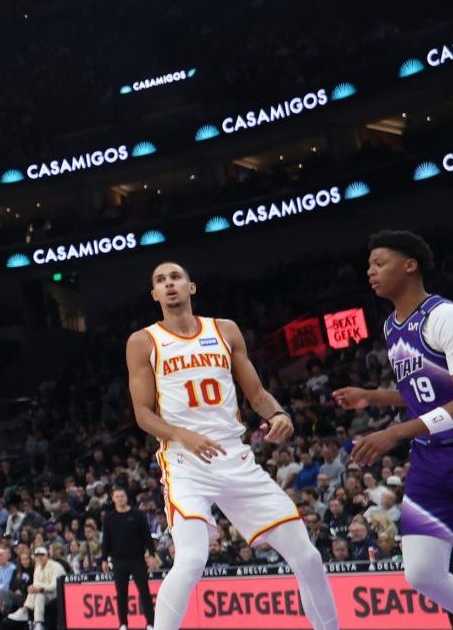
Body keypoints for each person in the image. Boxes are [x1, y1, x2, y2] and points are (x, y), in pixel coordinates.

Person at [125, 263, 337, 630]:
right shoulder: (143, 341)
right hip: (185, 461)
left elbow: (255, 393)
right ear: (154, 295)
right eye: (160, 280)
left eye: (175, 277)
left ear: (192, 286)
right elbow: (144, 415)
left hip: (234, 457)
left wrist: (278, 413)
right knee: (191, 559)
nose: (169, 283)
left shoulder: (224, 329)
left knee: (307, 556)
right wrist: (184, 435)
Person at [332, 230, 453, 630]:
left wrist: (396, 433)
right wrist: (373, 397)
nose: (371, 271)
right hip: (432, 462)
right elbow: (425, 394)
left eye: (379, 263)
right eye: (368, 265)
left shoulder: (448, 318)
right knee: (421, 573)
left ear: (410, 265)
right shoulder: (391, 327)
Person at [99, 488, 149, 630]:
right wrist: (103, 559)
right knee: (121, 594)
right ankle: (123, 624)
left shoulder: (138, 515)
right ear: (113, 499)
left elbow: (146, 536)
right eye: (117, 496)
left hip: (137, 559)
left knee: (144, 592)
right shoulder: (109, 518)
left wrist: (151, 554)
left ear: (126, 497)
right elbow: (106, 541)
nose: (120, 498)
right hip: (118, 561)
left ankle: (151, 623)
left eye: (122, 496)